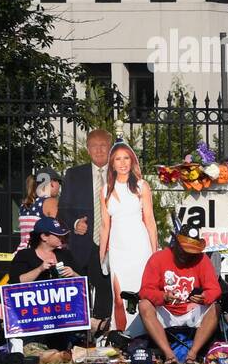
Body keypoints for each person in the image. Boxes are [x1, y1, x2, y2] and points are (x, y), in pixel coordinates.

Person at [124, 223, 222, 364]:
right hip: (166, 311)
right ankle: (169, 355)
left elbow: (215, 290)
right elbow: (145, 290)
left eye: (191, 251)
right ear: (175, 243)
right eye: (183, 250)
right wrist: (163, 296)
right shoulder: (158, 258)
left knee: (216, 308)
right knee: (144, 305)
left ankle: (192, 354)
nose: (186, 255)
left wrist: (204, 297)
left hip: (192, 310)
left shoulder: (202, 260)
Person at [97, 139, 158, 333]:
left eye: (126, 158)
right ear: (112, 164)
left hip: (140, 246)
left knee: (140, 294)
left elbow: (150, 221)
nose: (122, 163)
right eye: (118, 159)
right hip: (117, 247)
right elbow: (105, 225)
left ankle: (143, 335)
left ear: (132, 161)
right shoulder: (105, 190)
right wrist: (102, 256)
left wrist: (154, 253)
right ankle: (121, 336)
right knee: (118, 296)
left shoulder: (142, 186)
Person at [59, 128, 114, 335]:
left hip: (110, 241)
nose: (99, 150)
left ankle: (102, 331)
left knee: (105, 288)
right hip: (82, 243)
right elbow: (63, 208)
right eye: (94, 146)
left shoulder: (118, 173)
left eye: (103, 146)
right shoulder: (74, 174)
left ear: (109, 149)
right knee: (78, 289)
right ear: (88, 149)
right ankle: (76, 333)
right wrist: (74, 223)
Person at [7, 217, 84, 356]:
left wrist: (73, 274)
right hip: (33, 321)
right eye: (58, 235)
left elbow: (83, 282)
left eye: (64, 234)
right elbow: (15, 284)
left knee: (60, 350)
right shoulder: (25, 255)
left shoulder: (65, 254)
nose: (63, 238)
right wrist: (40, 269)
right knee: (34, 350)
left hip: (62, 320)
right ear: (44, 237)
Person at [17, 167, 62, 249]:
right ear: (52, 183)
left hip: (22, 253)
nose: (59, 186)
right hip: (41, 255)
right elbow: (57, 230)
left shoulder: (25, 204)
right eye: (59, 182)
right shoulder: (50, 202)